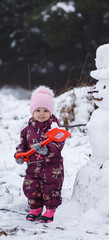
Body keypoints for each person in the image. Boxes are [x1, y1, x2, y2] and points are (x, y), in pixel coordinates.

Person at [15, 86, 64, 223]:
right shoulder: (27, 130)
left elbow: (59, 144)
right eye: (38, 110)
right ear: (32, 111)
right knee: (32, 187)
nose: (41, 113)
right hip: (33, 166)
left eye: (45, 110)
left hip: (51, 167)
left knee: (50, 188)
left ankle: (50, 209)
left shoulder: (55, 129)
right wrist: (20, 154)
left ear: (51, 112)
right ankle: (35, 208)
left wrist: (47, 149)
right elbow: (23, 145)